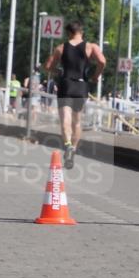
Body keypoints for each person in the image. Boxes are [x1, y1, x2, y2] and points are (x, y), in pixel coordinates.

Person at [44, 21, 106, 169]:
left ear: (69, 33)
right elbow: (102, 61)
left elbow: (48, 66)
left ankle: (67, 145)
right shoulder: (91, 47)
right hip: (81, 85)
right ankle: (74, 148)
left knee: (65, 117)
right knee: (77, 121)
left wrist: (57, 71)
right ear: (81, 32)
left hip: (66, 84)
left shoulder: (61, 48)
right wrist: (96, 76)